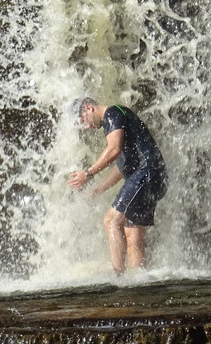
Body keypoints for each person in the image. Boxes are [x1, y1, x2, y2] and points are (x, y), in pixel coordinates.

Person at [67, 97, 168, 274]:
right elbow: (122, 167)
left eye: (83, 120)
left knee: (111, 221)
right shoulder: (118, 121)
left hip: (147, 173)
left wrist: (88, 174)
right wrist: (98, 189)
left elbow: (114, 150)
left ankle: (118, 280)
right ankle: (139, 281)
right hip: (154, 175)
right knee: (132, 232)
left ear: (89, 108)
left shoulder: (113, 113)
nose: (85, 126)